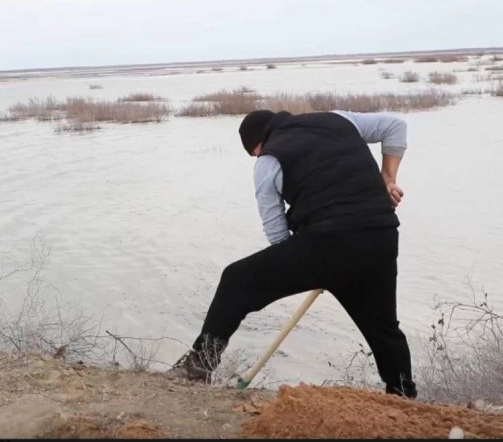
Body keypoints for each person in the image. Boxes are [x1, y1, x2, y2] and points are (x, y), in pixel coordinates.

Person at [168, 109, 418, 399]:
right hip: (381, 235)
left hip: (328, 242)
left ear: (257, 145)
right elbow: (394, 126)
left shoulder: (268, 161)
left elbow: (277, 235)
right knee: (384, 328)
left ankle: (197, 368)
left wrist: (310, 264)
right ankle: (403, 396)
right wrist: (387, 179)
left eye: (254, 153)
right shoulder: (338, 119)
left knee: (236, 279)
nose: (258, 157)